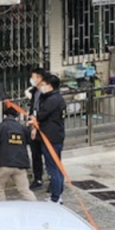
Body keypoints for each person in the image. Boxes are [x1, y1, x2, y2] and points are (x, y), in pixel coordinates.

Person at [0, 107, 37, 202]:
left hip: (5, 164)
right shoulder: (23, 128)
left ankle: (2, 208)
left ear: (4, 116)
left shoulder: (1, 127)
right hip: (21, 165)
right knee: (24, 190)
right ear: (17, 117)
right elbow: (30, 141)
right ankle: (36, 207)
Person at [31, 73, 67, 204]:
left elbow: (41, 115)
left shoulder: (52, 100)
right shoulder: (57, 98)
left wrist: (34, 119)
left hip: (50, 138)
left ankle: (56, 197)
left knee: (53, 168)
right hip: (55, 136)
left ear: (50, 86)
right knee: (57, 166)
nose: (42, 86)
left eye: (44, 84)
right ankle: (58, 194)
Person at [26, 67, 46, 190]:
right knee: (35, 154)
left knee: (48, 155)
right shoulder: (34, 92)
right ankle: (37, 178)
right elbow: (33, 108)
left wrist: (36, 126)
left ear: (39, 78)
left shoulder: (46, 93)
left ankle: (53, 180)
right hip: (34, 125)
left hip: (44, 127)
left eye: (33, 77)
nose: (32, 79)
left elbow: (44, 112)